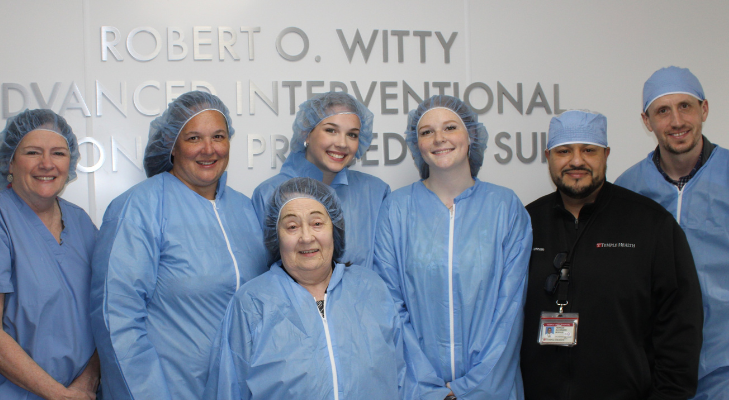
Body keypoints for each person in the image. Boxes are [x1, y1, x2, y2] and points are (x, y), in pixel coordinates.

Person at [91, 91, 270, 399]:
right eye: (193, 138)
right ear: (171, 145)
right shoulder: (139, 207)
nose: (209, 149)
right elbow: (116, 316)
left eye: (219, 136)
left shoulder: (246, 210)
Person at [206, 177, 443, 400]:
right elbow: (227, 389)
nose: (306, 237)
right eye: (292, 226)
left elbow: (409, 376)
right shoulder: (252, 304)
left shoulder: (371, 289)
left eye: (317, 223)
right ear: (275, 236)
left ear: (334, 229)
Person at [521, 110, 703, 399]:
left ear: (606, 154)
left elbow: (681, 325)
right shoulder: (524, 223)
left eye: (589, 150)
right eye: (564, 151)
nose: (576, 161)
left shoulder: (650, 223)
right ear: (548, 156)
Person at [373, 95, 532, 399]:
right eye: (426, 131)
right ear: (415, 143)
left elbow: (509, 311)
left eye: (450, 127)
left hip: (492, 388)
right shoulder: (396, 209)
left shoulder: (505, 206)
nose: (439, 138)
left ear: (470, 135)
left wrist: (473, 388)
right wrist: (429, 388)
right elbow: (391, 305)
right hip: (417, 389)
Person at [615, 66, 729, 399]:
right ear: (647, 122)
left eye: (685, 106)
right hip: (656, 368)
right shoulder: (628, 189)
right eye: (663, 111)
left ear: (703, 109)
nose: (677, 121)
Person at [0, 109, 100, 399]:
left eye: (59, 153)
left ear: (71, 162)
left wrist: (86, 386)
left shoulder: (82, 223)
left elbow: (105, 316)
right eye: (33, 152)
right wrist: (58, 394)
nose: (47, 164)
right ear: (9, 162)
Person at [252, 91, 389, 268]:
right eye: (331, 130)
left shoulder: (375, 192)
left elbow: (385, 271)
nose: (342, 143)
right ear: (306, 133)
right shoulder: (269, 193)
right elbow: (262, 273)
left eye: (352, 134)